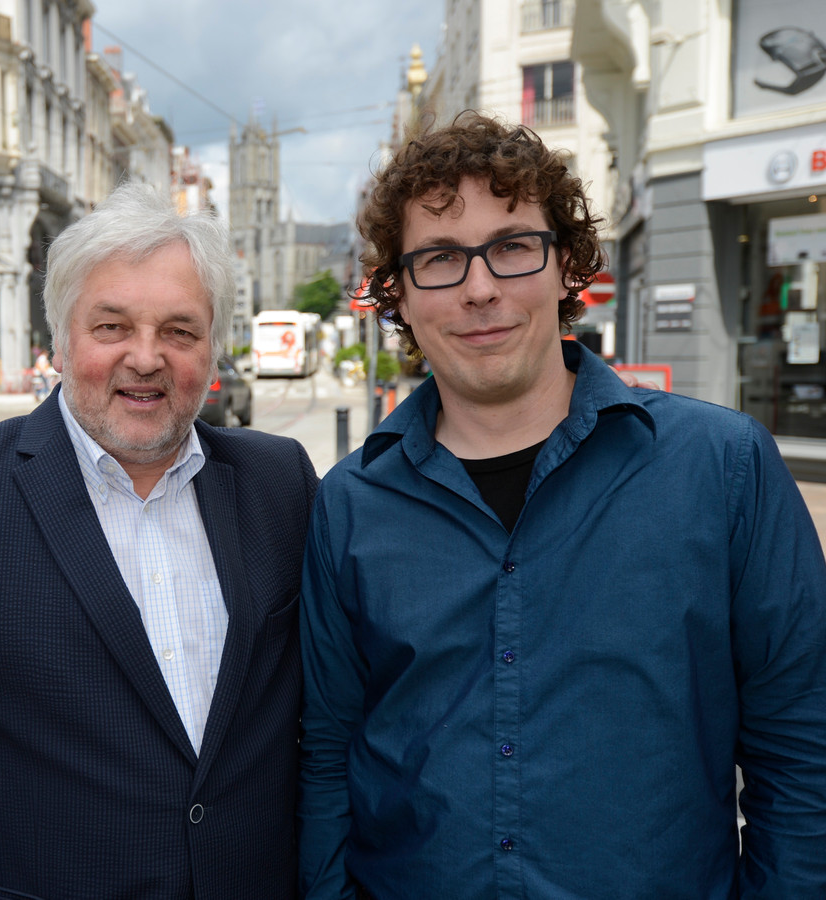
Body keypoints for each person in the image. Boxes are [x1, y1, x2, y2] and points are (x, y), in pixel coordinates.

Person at [298, 112, 826, 899]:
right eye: (440, 258)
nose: (480, 289)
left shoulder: (725, 469)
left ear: (565, 266)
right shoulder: (352, 502)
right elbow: (325, 758)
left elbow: (802, 751)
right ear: (398, 296)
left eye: (512, 247)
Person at [0, 181, 318, 899]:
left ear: (213, 347)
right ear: (60, 340)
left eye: (179, 330)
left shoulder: (280, 483)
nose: (146, 358)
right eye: (111, 328)